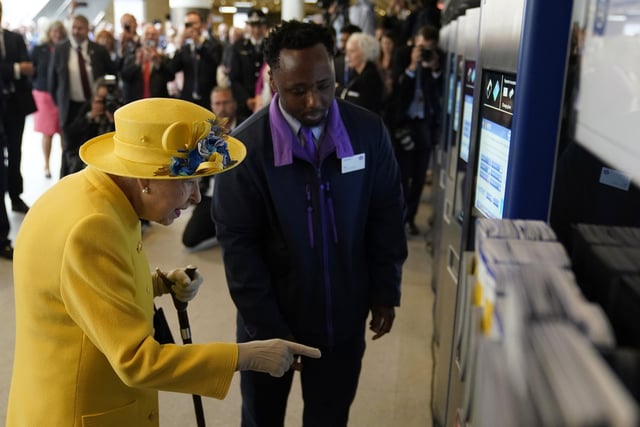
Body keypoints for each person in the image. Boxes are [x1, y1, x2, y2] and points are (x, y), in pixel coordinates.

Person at [6, 97, 321, 426]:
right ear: (144, 178)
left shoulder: (87, 193)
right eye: (189, 180)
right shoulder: (94, 228)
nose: (197, 196)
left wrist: (158, 282)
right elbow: (137, 361)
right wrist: (244, 356)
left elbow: (83, 289)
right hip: (80, 411)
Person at [212, 21, 407, 426]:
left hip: (341, 320)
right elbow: (240, 248)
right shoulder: (245, 152)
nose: (315, 100)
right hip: (268, 325)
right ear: (274, 81)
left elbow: (386, 213)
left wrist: (386, 289)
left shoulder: (367, 133)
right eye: (298, 90)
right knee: (262, 419)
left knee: (329, 418)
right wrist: (270, 333)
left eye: (325, 84)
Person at [391, 24, 444, 235]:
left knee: (420, 176)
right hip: (404, 122)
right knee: (402, 175)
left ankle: (410, 218)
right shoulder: (403, 55)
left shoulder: (435, 58)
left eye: (429, 46)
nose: (425, 50)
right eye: (422, 46)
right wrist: (412, 66)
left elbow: (440, 89)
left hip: (424, 122)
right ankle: (399, 217)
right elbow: (397, 88)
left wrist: (435, 69)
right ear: (415, 41)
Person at [48, 14, 116, 177]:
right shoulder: (60, 49)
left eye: (80, 28)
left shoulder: (98, 50)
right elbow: (53, 82)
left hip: (96, 105)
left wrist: (105, 93)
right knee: (70, 149)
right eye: (74, 27)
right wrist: (61, 104)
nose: (76, 31)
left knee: (94, 148)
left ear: (87, 30)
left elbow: (113, 76)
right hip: (70, 108)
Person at [182, 86, 246, 250]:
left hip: (241, 196)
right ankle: (223, 225)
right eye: (217, 103)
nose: (222, 107)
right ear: (211, 106)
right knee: (189, 239)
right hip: (213, 195)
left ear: (234, 104)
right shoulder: (205, 131)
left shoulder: (247, 128)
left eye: (226, 102)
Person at [0, 0, 37, 214]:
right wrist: (15, 68)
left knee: (16, 152)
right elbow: (20, 67)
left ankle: (16, 196)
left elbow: (30, 67)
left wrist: (13, 69)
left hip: (16, 104)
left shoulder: (14, 38)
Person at [30, 19, 67, 179]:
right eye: (54, 31)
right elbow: (31, 71)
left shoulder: (66, 49)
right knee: (48, 132)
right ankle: (46, 164)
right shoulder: (39, 49)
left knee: (64, 131)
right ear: (49, 32)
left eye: (60, 31)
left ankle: (65, 166)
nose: (57, 34)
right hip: (44, 95)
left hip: (62, 95)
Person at [171, 10, 222, 109]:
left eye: (193, 24)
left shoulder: (213, 45)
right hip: (188, 99)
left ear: (202, 25)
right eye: (187, 24)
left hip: (208, 99)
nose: (190, 27)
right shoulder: (185, 48)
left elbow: (213, 63)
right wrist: (179, 45)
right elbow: (173, 69)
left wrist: (199, 43)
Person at [228, 8, 268, 118]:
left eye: (259, 26)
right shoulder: (239, 46)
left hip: (266, 101)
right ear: (248, 27)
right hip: (245, 104)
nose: (256, 30)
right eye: (253, 26)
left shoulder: (270, 45)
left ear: (264, 27)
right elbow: (234, 78)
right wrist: (246, 99)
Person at [120, 23, 174, 103]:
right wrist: (137, 64)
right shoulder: (131, 56)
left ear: (158, 39)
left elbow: (170, 77)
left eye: (153, 35)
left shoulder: (163, 58)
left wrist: (158, 62)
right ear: (141, 38)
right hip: (135, 104)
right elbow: (124, 77)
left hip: (157, 104)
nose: (150, 37)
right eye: (147, 34)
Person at [339, 32, 384, 114]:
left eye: (352, 51)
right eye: (347, 51)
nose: (347, 56)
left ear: (365, 52)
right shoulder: (356, 74)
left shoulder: (370, 78)